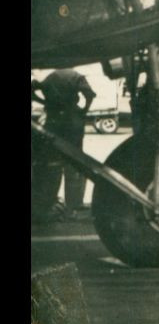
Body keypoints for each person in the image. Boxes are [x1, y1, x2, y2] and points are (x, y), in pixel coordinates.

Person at [32, 67, 96, 220]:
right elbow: (90, 94)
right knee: (75, 161)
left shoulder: (49, 77)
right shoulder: (75, 76)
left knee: (51, 163)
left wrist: (44, 101)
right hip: (73, 119)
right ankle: (73, 205)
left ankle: (47, 204)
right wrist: (84, 110)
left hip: (53, 119)